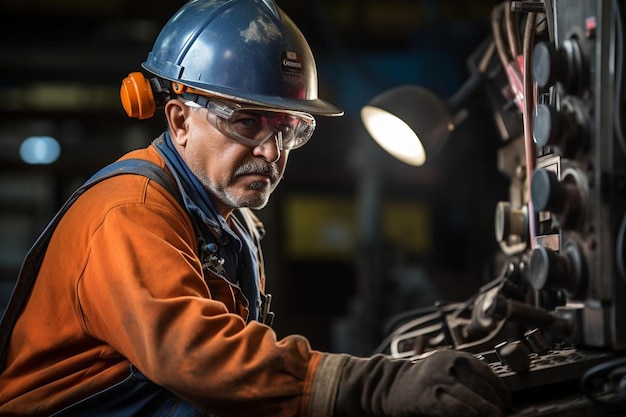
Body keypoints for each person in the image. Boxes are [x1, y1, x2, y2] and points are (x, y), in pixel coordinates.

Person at [0, 0, 511, 415]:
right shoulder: (129, 212)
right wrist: (371, 386)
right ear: (178, 120)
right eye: (247, 122)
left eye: (288, 129)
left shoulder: (231, 222)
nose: (272, 152)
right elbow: (194, 355)